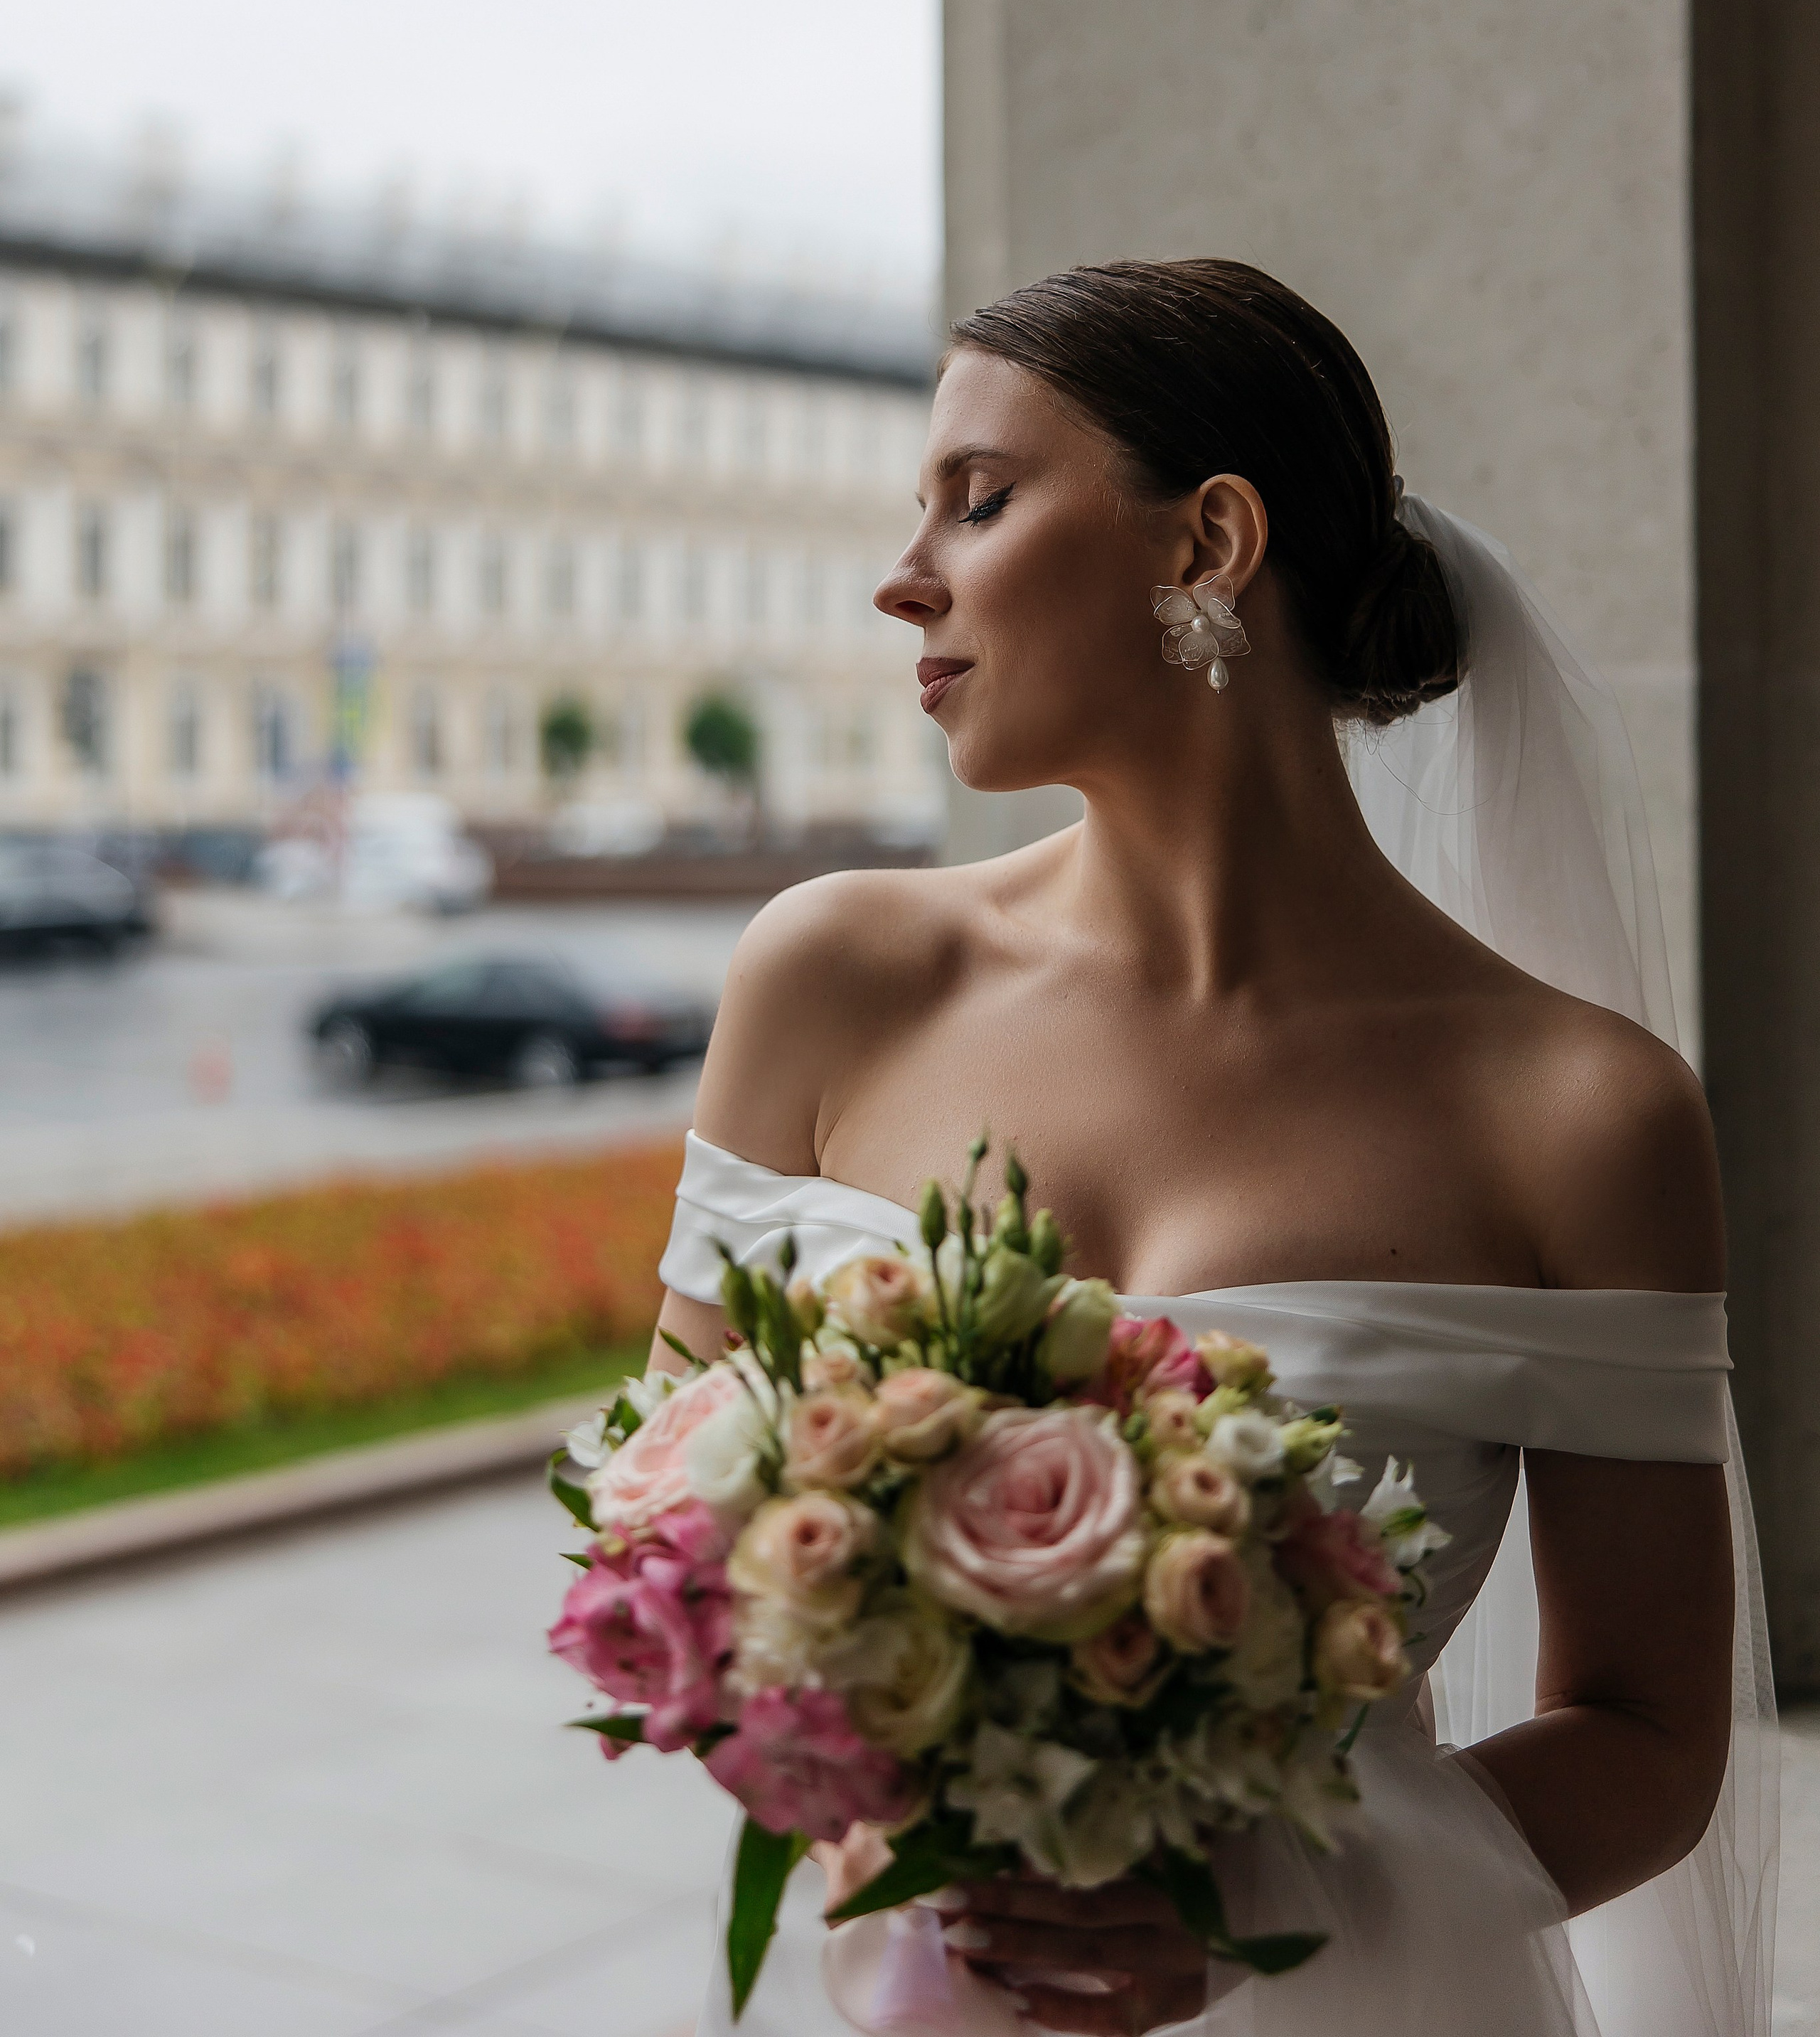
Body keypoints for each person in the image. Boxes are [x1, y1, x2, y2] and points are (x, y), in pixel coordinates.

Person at [651, 259, 1774, 2036]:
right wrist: (885, 1780)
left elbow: (1647, 1738)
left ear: (1209, 542)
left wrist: (1267, 1911)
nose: (902, 576)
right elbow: (669, 1545)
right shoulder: (830, 978)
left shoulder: (1577, 1113)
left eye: (977, 500)